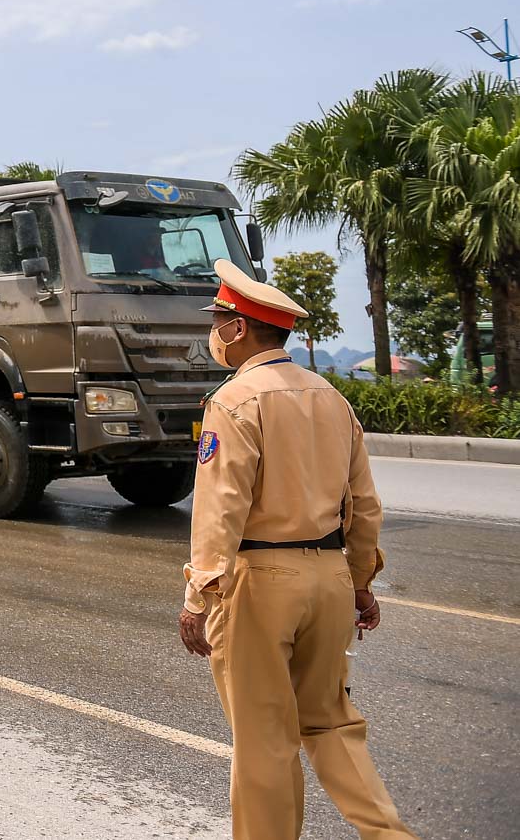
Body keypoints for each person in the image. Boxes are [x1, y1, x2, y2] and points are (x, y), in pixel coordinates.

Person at [180, 259, 416, 840]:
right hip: (329, 578)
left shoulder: (234, 402)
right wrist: (360, 584)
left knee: (264, 739)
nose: (213, 331)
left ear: (237, 329)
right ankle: (390, 835)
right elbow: (363, 504)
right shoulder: (332, 398)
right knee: (332, 724)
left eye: (218, 320)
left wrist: (198, 595)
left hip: (261, 582)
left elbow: (221, 510)